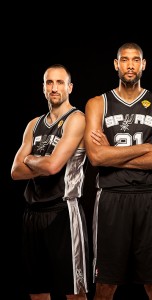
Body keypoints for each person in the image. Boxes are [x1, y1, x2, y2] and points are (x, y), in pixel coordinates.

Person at [83, 42, 152, 300]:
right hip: (112, 197)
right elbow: (96, 156)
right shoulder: (97, 104)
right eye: (124, 60)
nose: (130, 65)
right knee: (105, 285)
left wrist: (111, 156)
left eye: (136, 60)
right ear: (116, 65)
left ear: (143, 65)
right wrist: (148, 147)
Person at [11, 64, 89, 300]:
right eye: (49, 83)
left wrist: (30, 158)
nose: (54, 88)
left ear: (70, 87)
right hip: (33, 214)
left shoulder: (77, 119)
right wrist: (40, 163)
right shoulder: (33, 125)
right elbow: (15, 171)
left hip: (63, 212)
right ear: (43, 88)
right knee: (38, 292)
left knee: (74, 293)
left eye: (59, 82)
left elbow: (54, 166)